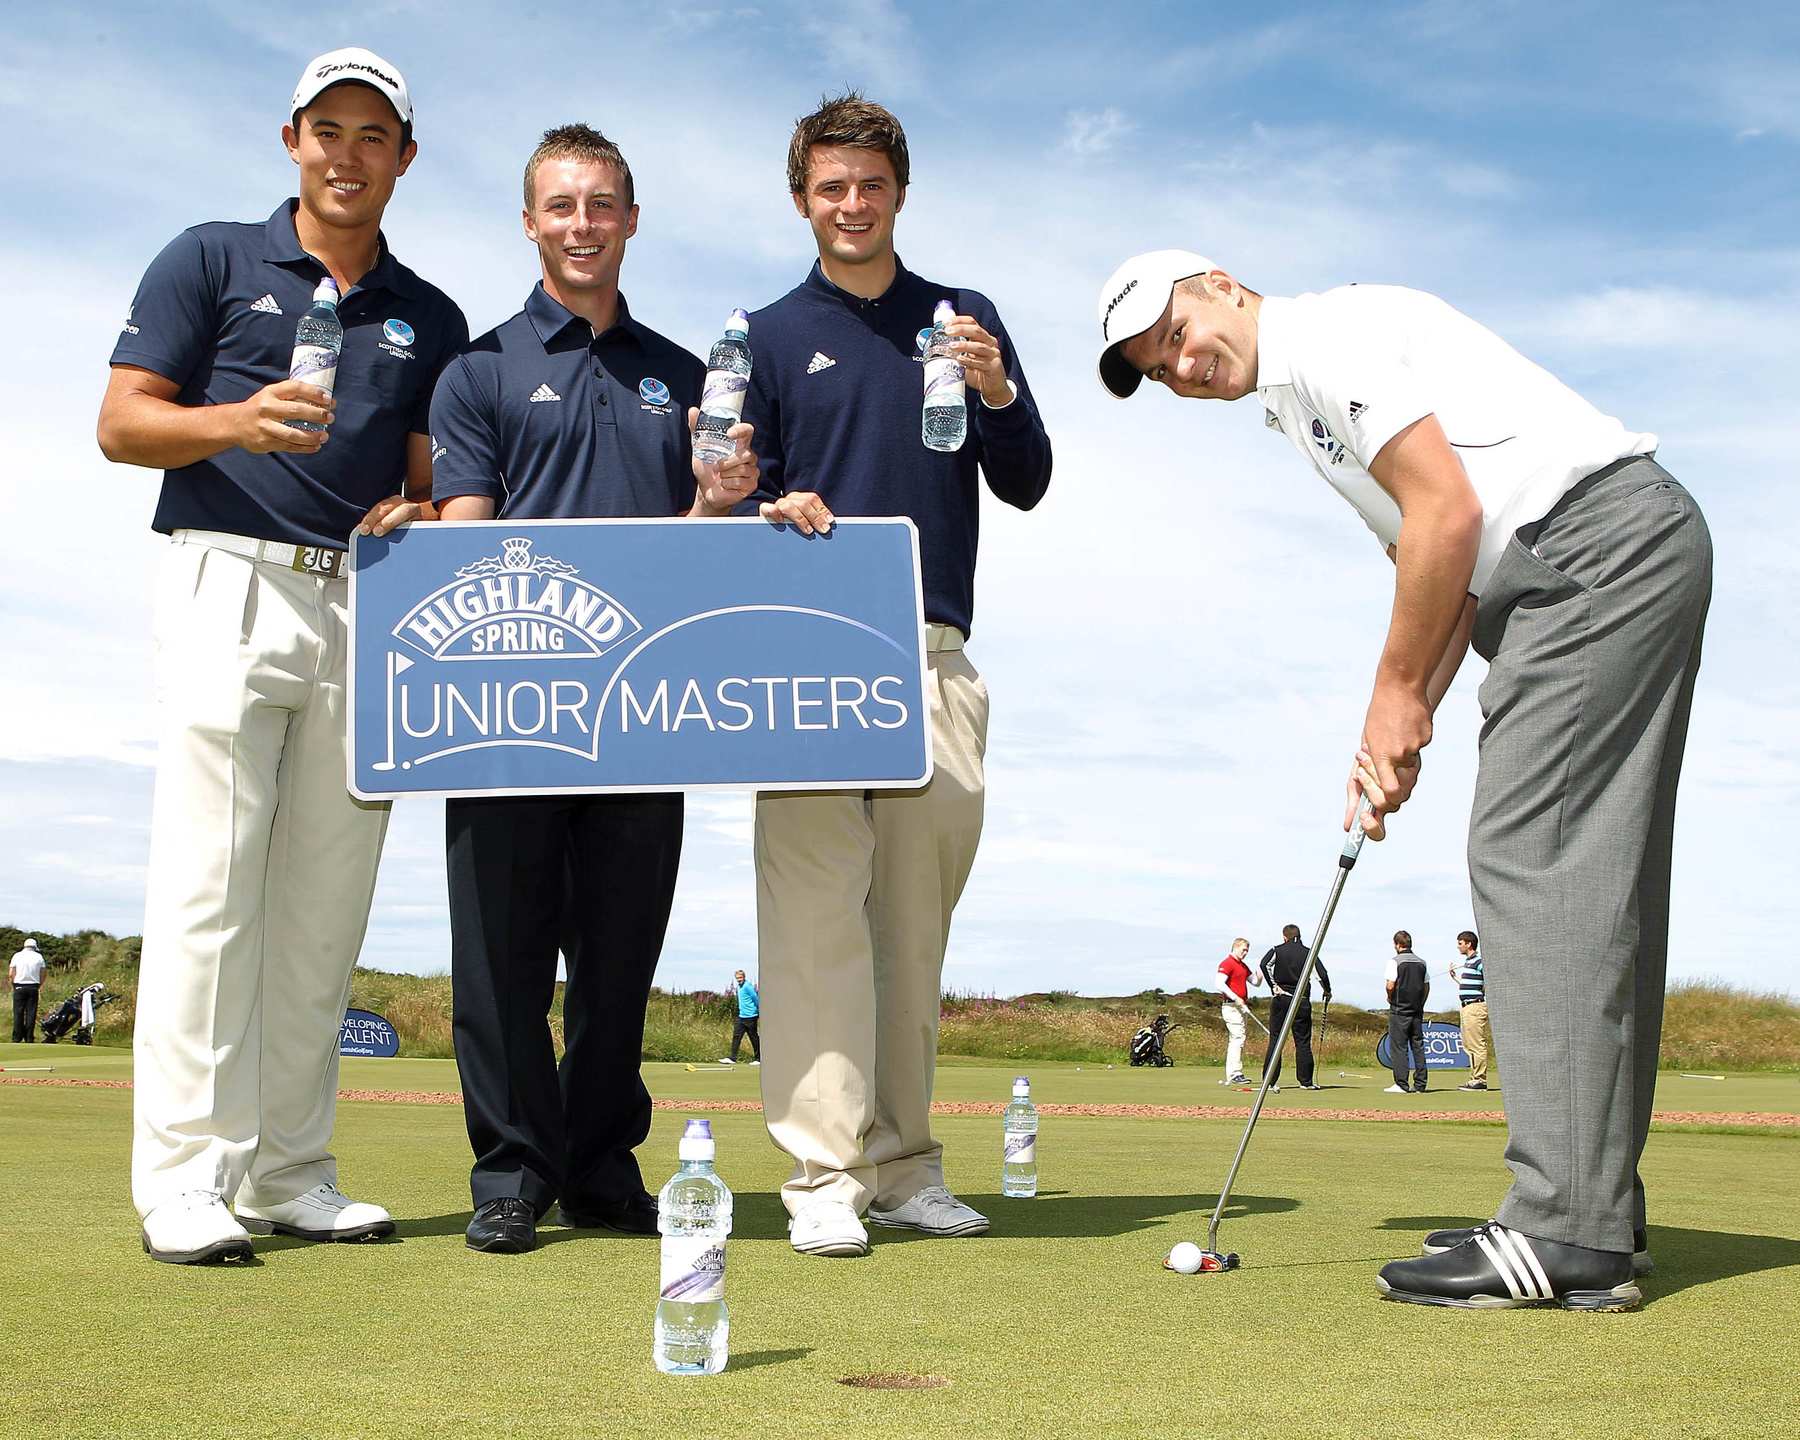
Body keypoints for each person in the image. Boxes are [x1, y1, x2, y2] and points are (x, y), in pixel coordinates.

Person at [1097, 250, 1709, 1310]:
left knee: (1533, 863)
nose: (1180, 366)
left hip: (1588, 558)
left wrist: (1397, 692)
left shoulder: (1327, 337)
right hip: (1589, 567)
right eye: (1157, 368)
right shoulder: (1297, 407)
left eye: (1176, 334)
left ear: (1218, 281)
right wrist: (1396, 730)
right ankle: (1596, 1205)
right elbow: (1440, 580)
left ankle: (1567, 1227)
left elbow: (1447, 517)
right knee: (1590, 881)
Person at [99, 48, 467, 1265]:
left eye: (373, 134)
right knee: (210, 890)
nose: (346, 152)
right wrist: (234, 421)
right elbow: (122, 422)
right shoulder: (210, 257)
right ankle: (188, 1180)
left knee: (322, 905)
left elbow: (428, 477)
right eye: (328, 129)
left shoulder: (432, 313)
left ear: (404, 157)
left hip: (365, 607)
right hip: (227, 578)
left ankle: (291, 1168)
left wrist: (421, 509)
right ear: (291, 138)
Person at [430, 124, 759, 1256]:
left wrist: (725, 503)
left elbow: (695, 547)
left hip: (643, 716)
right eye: (560, 205)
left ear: (630, 218)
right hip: (506, 717)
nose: (582, 224)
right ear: (530, 222)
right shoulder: (476, 372)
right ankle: (513, 1169)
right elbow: (463, 542)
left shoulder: (684, 378)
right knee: (503, 960)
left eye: (602, 204)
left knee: (619, 960)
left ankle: (600, 1166)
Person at [739, 93, 1052, 1258]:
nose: (852, 204)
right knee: (816, 926)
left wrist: (1000, 391)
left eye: (871, 184)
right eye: (831, 186)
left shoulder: (964, 322)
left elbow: (1026, 479)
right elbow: (735, 494)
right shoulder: (765, 335)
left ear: (900, 192)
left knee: (912, 935)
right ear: (802, 198)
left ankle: (909, 1165)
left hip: (934, 659)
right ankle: (826, 1175)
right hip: (806, 662)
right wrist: (771, 505)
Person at [1258, 924, 1331, 1091]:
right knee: (1302, 1041)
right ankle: (1306, 1082)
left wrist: (1273, 986)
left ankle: (1269, 1081)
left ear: (1285, 936)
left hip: (1281, 999)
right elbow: (1322, 975)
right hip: (1301, 1001)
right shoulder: (1308, 952)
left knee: (1276, 1040)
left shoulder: (1277, 950)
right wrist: (1327, 991)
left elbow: (1264, 965)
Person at [1384, 931, 1429, 1094]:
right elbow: (1426, 986)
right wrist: (1421, 1003)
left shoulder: (1394, 961)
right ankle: (1420, 1084)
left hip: (1399, 1009)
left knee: (1399, 1046)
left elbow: (1390, 985)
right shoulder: (1421, 962)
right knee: (1418, 1045)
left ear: (1397, 944)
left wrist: (1390, 999)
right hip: (1417, 1010)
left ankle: (1402, 1083)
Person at [1451, 930, 1491, 1091]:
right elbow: (1468, 984)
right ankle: (1474, 1078)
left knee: (1476, 1044)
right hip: (1466, 1006)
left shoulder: (1479, 961)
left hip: (1475, 1006)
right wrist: (1455, 977)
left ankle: (1479, 1080)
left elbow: (1488, 978)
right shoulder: (1469, 962)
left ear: (1469, 944)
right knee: (1468, 1045)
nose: (1458, 946)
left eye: (1460, 943)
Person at [1214, 938, 1257, 1084]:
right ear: (1235, 947)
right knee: (1238, 1038)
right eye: (1243, 950)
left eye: (1247, 951)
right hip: (1231, 1006)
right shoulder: (1227, 963)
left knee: (1239, 1038)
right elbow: (1219, 983)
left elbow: (1255, 982)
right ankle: (1234, 1074)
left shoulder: (1242, 966)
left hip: (1241, 1007)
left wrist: (1262, 971)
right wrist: (1235, 997)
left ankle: (1234, 1073)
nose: (1245, 953)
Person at [9, 938, 45, 1043]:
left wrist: (14, 984)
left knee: (18, 1012)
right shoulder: (39, 957)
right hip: (33, 986)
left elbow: (11, 974)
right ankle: (29, 1037)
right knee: (31, 1013)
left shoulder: (17, 956)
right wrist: (39, 984)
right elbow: (43, 973)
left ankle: (17, 1037)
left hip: (19, 986)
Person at [725, 970, 761, 1065]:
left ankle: (758, 1059)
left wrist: (758, 1010)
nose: (739, 980)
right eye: (737, 978)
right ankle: (732, 1058)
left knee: (753, 1037)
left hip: (751, 1016)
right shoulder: (739, 987)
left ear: (744, 977)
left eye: (740, 978)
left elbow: (756, 998)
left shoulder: (747, 986)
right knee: (736, 1036)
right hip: (742, 1016)